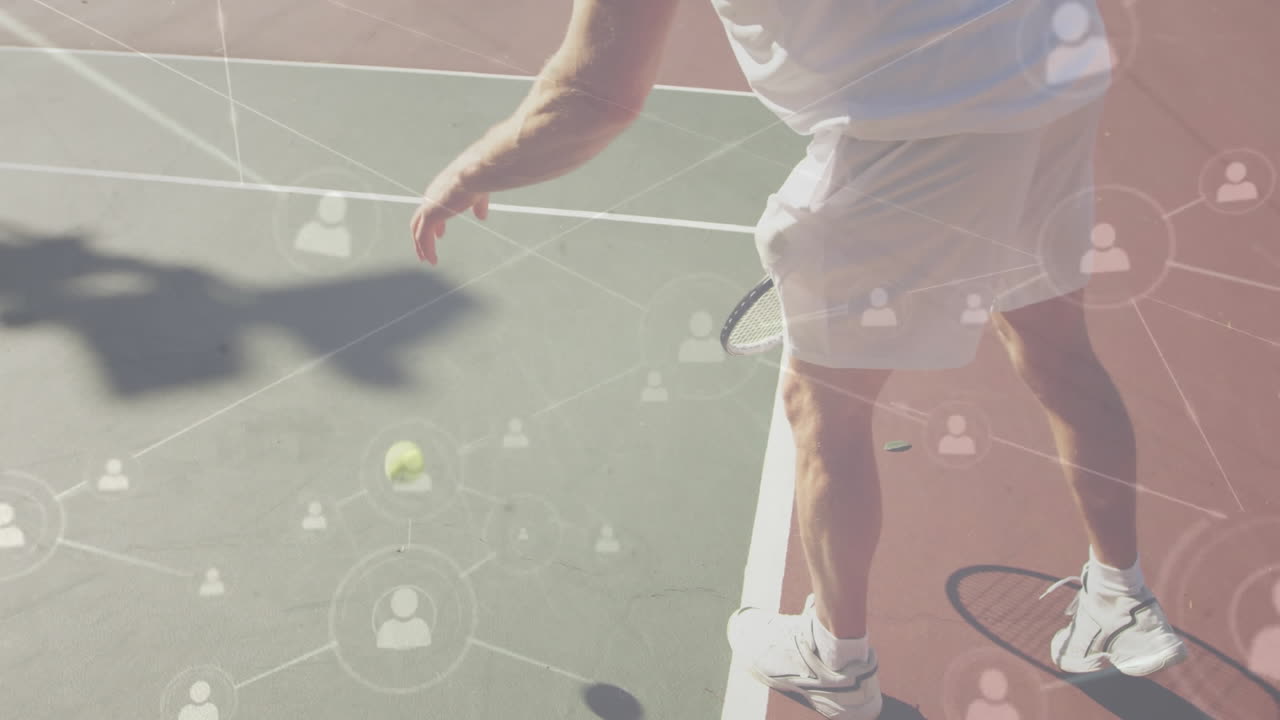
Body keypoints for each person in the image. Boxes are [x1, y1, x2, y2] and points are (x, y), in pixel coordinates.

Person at [408, 1, 1187, 718]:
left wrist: (467, 169)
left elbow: (592, 97)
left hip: (925, 120)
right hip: (1050, 59)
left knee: (826, 413)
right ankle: (1121, 600)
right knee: (1055, 346)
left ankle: (836, 659)